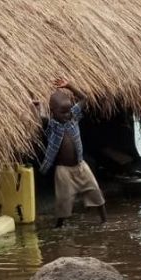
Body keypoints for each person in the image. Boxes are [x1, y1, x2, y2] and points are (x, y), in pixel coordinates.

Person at [35, 78, 107, 228]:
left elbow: (84, 98)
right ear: (53, 112)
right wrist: (39, 106)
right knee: (63, 201)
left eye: (68, 111)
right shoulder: (52, 126)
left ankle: (105, 222)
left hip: (81, 166)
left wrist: (69, 86)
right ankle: (59, 227)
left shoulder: (72, 117)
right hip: (64, 171)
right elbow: (43, 118)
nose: (67, 115)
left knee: (96, 193)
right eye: (63, 112)